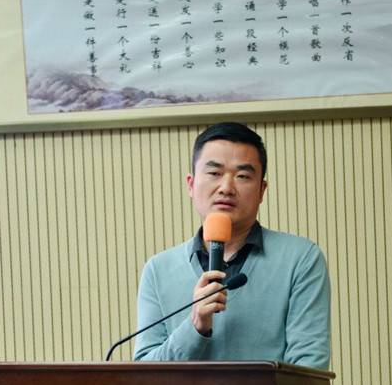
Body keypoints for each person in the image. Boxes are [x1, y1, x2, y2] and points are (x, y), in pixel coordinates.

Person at [133, 122, 331, 371]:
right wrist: (195, 327)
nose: (226, 188)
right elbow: (143, 375)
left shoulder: (301, 259)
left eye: (242, 176)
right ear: (191, 185)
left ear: (262, 191)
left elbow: (309, 371)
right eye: (214, 173)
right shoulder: (158, 269)